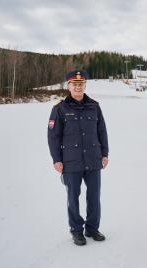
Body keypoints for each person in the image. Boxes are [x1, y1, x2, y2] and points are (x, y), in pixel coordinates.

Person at [47, 70, 109, 246]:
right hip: (70, 160)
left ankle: (92, 228)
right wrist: (56, 159)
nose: (78, 86)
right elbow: (53, 136)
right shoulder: (59, 109)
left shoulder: (94, 106)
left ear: (85, 85)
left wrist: (104, 154)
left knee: (94, 196)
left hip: (93, 158)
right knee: (73, 197)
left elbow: (102, 132)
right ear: (69, 86)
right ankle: (76, 230)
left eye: (81, 84)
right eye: (74, 84)